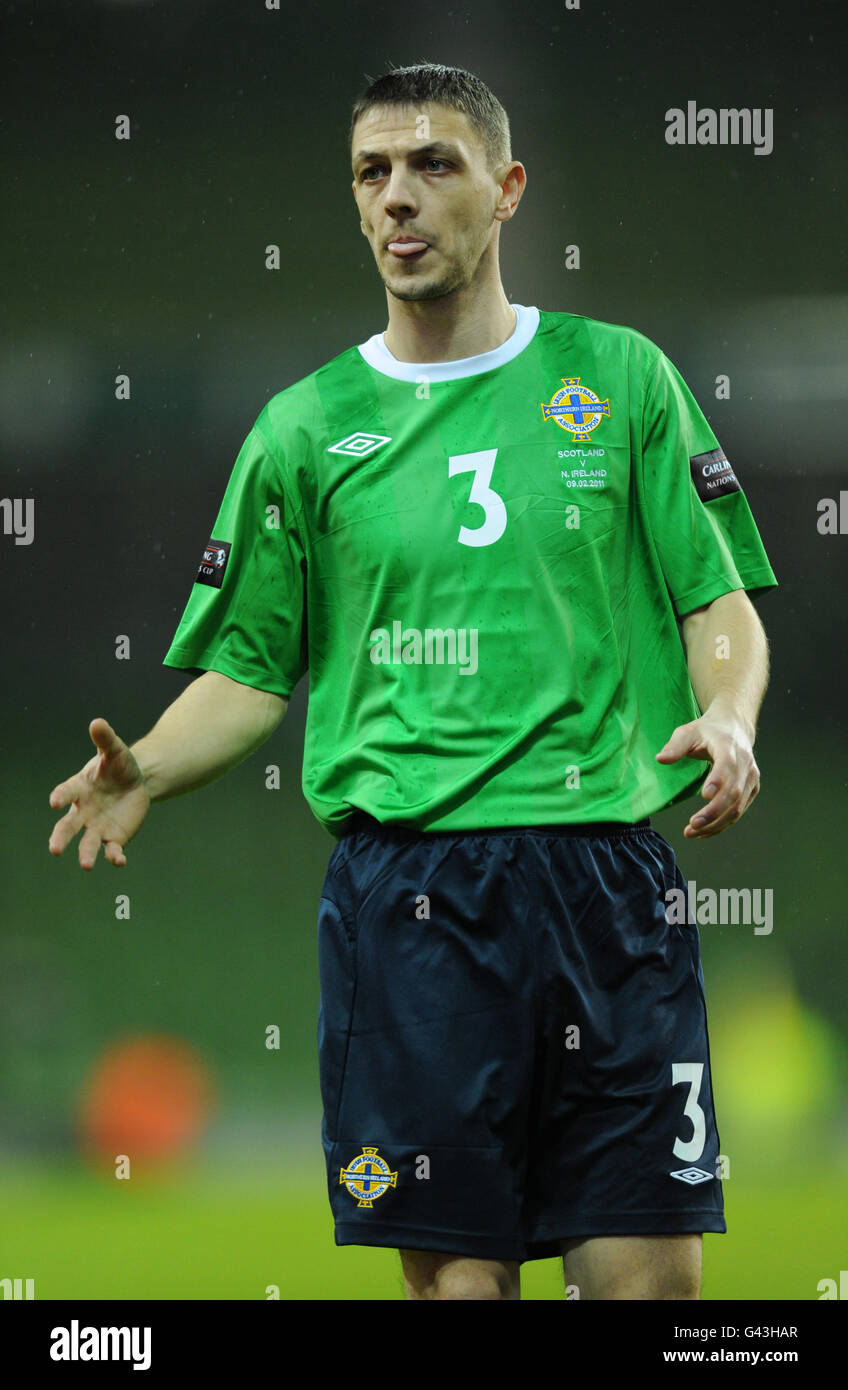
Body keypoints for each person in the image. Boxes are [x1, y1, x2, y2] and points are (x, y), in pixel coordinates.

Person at [48, 62, 777, 1300]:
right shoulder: (302, 428)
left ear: (505, 189)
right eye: (371, 172)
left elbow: (716, 602)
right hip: (412, 906)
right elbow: (250, 668)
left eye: (432, 165)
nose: (397, 197)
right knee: (458, 1295)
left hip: (605, 878)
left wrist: (724, 712)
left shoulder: (620, 378)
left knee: (654, 1291)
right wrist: (149, 770)